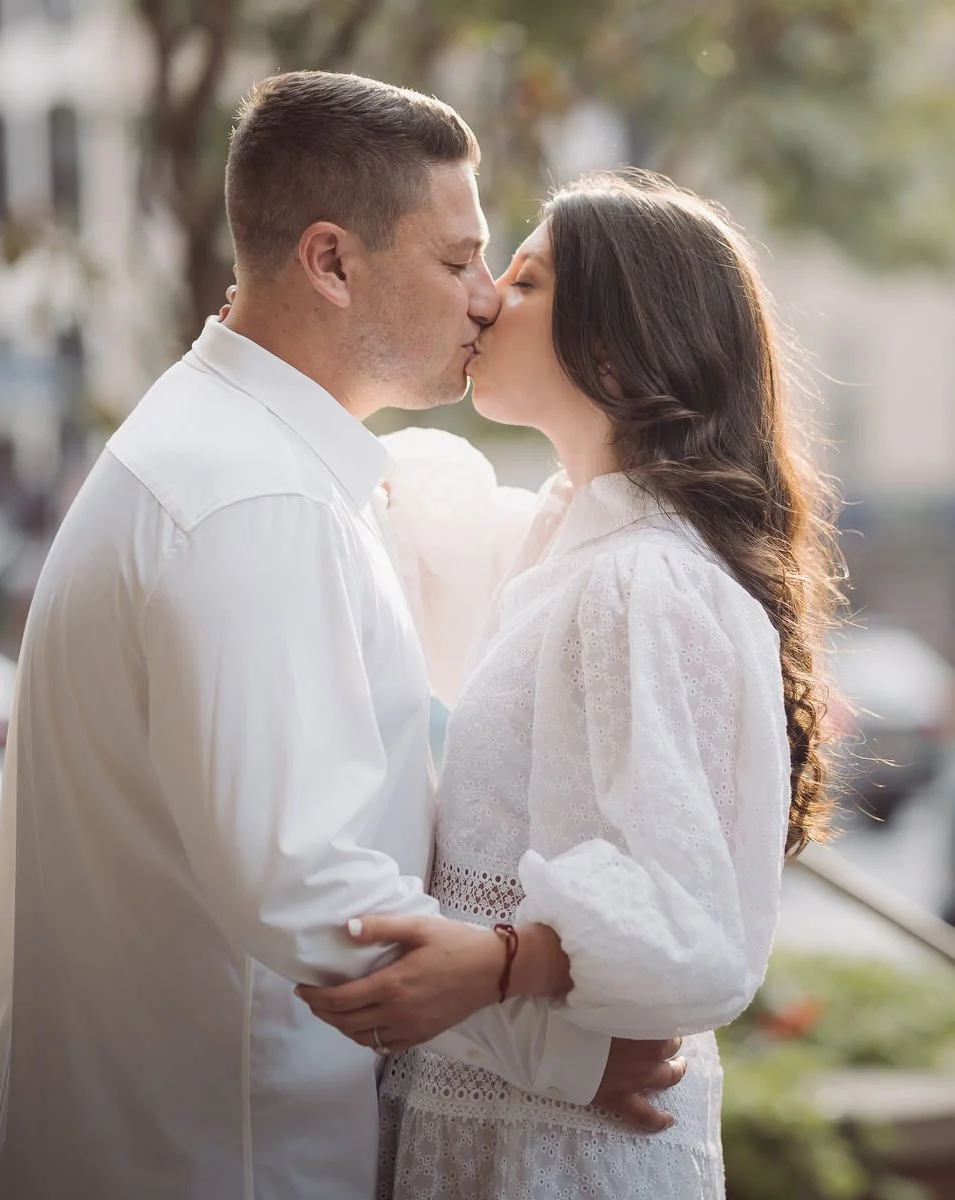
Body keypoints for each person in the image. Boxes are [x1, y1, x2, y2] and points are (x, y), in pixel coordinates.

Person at [0, 73, 678, 1200]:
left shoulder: (248, 459)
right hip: (214, 1162)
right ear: (333, 262)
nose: (486, 299)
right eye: (457, 262)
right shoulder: (255, 501)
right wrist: (566, 1051)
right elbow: (310, 889)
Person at [295, 170, 844, 1198]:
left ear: (609, 346)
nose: (490, 295)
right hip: (508, 1122)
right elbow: (415, 530)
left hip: (561, 1157)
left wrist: (503, 960)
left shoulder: (646, 580)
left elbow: (696, 926)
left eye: (529, 277)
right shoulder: (568, 542)